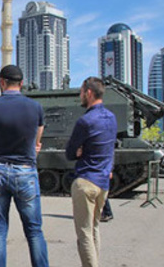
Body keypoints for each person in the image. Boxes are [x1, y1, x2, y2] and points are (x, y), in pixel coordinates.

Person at [0, 64, 48, 267]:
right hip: (25, 171)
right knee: (34, 231)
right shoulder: (35, 107)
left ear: (1, 82)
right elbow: (38, 138)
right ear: (21, 83)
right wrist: (34, 146)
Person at [66, 76, 117, 267]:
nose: (79, 96)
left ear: (88, 93)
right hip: (103, 183)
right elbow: (111, 148)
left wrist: (79, 151)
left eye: (80, 92)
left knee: (84, 234)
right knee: (94, 229)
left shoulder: (85, 121)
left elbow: (70, 153)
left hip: (86, 181)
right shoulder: (112, 118)